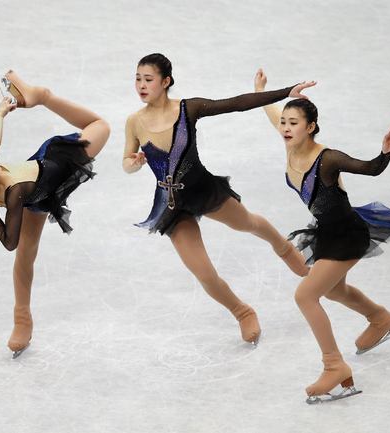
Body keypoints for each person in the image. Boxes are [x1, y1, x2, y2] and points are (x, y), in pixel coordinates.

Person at [123, 53, 312, 345]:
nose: (141, 85)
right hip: (172, 204)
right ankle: (242, 312)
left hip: (202, 189)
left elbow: (236, 103)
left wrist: (287, 92)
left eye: (148, 79)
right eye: (138, 79)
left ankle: (284, 248)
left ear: (166, 81)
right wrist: (133, 164)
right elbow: (126, 161)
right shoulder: (134, 121)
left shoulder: (188, 109)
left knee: (247, 223)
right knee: (205, 274)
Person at [254, 68, 390, 403]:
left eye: (293, 123)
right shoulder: (290, 143)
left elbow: (370, 169)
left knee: (305, 295)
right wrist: (260, 90)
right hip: (326, 232)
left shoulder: (327, 159)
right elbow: (273, 114)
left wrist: (385, 152)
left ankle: (334, 367)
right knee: (334, 290)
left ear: (310, 127)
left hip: (348, 234)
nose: (285, 128)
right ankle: (380, 318)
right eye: (284, 123)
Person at [0, 70, 110, 357]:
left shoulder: (13, 191)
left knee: (100, 125)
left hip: (60, 163)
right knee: (26, 256)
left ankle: (43, 96)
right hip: (38, 184)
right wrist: (0, 113)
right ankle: (22, 321)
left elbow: (9, 241)